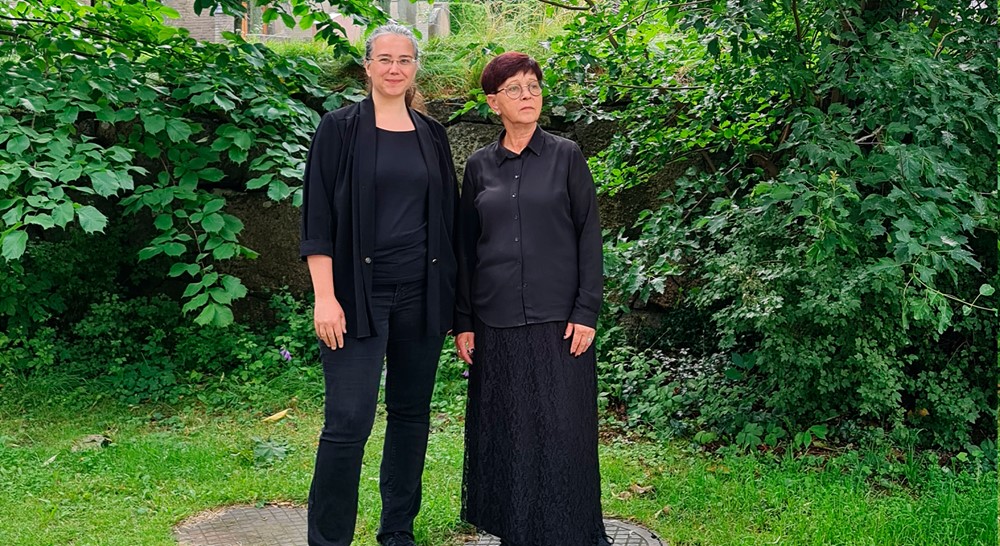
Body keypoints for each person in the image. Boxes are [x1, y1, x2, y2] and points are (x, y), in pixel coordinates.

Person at [299, 23, 459, 546]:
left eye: (404, 60)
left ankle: (397, 531)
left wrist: (454, 305)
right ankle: (329, 540)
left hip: (421, 295)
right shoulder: (338, 129)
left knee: (411, 415)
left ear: (416, 69)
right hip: (354, 297)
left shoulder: (432, 135)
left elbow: (449, 222)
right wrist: (325, 297)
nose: (395, 68)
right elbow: (317, 219)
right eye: (385, 59)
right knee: (347, 422)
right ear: (367, 67)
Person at [454, 52, 611, 546]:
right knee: (509, 431)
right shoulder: (479, 166)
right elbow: (466, 248)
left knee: (563, 430)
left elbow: (589, 236)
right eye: (515, 89)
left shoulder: (567, 156)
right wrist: (464, 320)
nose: (527, 96)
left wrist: (586, 311)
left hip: (559, 322)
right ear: (493, 102)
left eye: (534, 86)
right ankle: (515, 531)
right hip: (495, 321)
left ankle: (572, 533)